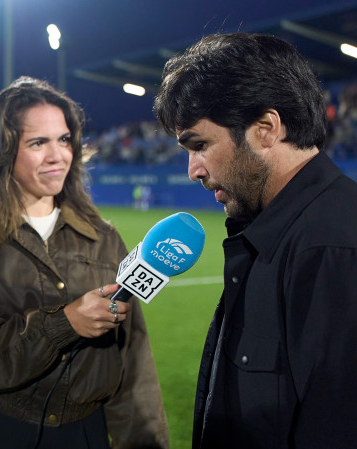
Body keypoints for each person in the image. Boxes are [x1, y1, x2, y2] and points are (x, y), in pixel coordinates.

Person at [0, 76, 169, 449]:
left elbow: (132, 360)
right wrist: (63, 325)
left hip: (83, 433)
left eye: (64, 140)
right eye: (38, 143)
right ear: (3, 150)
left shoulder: (104, 237)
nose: (58, 155)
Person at [153, 32, 357, 449]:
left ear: (265, 129)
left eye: (200, 145)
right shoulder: (273, 227)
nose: (193, 170)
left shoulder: (336, 250)